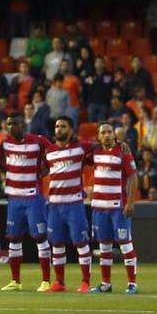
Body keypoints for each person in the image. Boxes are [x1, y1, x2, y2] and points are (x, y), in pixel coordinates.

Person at [0, 114, 53, 291]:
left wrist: (44, 170)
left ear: (23, 124)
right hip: (14, 198)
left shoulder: (38, 141)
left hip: (33, 198)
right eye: (9, 124)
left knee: (40, 237)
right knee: (14, 239)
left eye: (15, 123)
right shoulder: (5, 143)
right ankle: (15, 281)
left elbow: (54, 155)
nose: (11, 127)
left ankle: (46, 281)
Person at [41, 115, 95, 292]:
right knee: (56, 243)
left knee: (81, 243)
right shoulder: (49, 151)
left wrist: (120, 144)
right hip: (55, 205)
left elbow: (101, 146)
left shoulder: (80, 148)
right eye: (57, 126)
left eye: (63, 126)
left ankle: (86, 282)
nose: (59, 129)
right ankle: (59, 282)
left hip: (74, 205)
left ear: (71, 130)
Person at [89, 122, 139, 294]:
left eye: (110, 132)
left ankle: (132, 283)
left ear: (115, 135)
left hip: (118, 207)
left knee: (125, 244)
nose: (107, 135)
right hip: (99, 208)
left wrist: (130, 201)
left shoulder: (123, 152)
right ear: (99, 136)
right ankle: (106, 283)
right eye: (103, 132)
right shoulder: (95, 152)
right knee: (104, 247)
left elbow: (133, 177)